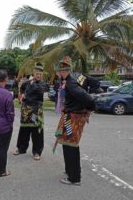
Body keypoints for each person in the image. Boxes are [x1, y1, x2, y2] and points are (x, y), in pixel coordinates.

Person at [54, 56, 95, 186]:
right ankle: (70, 171)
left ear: (63, 71)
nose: (57, 74)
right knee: (67, 145)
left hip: (73, 119)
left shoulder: (71, 84)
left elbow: (88, 98)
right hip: (68, 118)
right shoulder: (66, 82)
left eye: (58, 71)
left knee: (71, 146)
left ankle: (75, 178)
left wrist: (89, 110)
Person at [13, 63, 46, 161]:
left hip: (36, 111)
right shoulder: (27, 82)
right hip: (26, 110)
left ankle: (37, 152)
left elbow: (39, 91)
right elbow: (22, 88)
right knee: (24, 130)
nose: (38, 75)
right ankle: (21, 148)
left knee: (37, 132)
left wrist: (33, 83)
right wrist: (22, 95)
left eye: (40, 74)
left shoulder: (42, 84)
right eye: (37, 74)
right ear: (33, 73)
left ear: (42, 75)